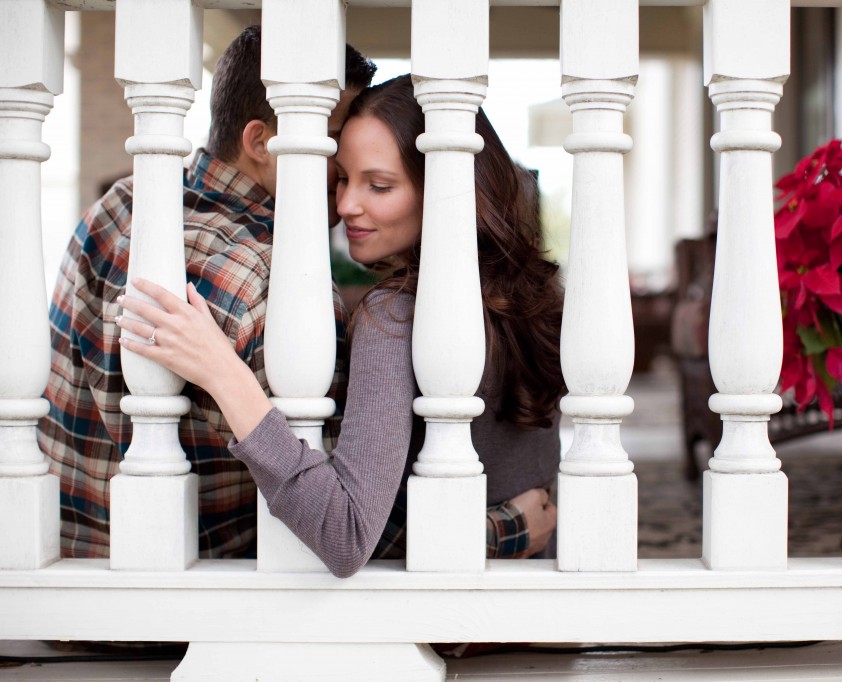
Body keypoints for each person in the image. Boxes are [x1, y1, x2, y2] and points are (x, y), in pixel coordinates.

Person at [116, 74, 565, 577]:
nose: (346, 204)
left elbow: (346, 534)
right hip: (524, 610)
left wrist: (222, 371)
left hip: (434, 624)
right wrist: (503, 529)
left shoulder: (393, 316)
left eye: (379, 185)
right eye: (343, 177)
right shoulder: (528, 296)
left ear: (445, 189)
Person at [38, 26, 376, 560]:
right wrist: (499, 529)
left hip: (69, 575)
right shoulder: (272, 281)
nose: (346, 168)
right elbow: (336, 512)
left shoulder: (118, 203)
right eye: (334, 139)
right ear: (260, 142)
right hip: (204, 606)